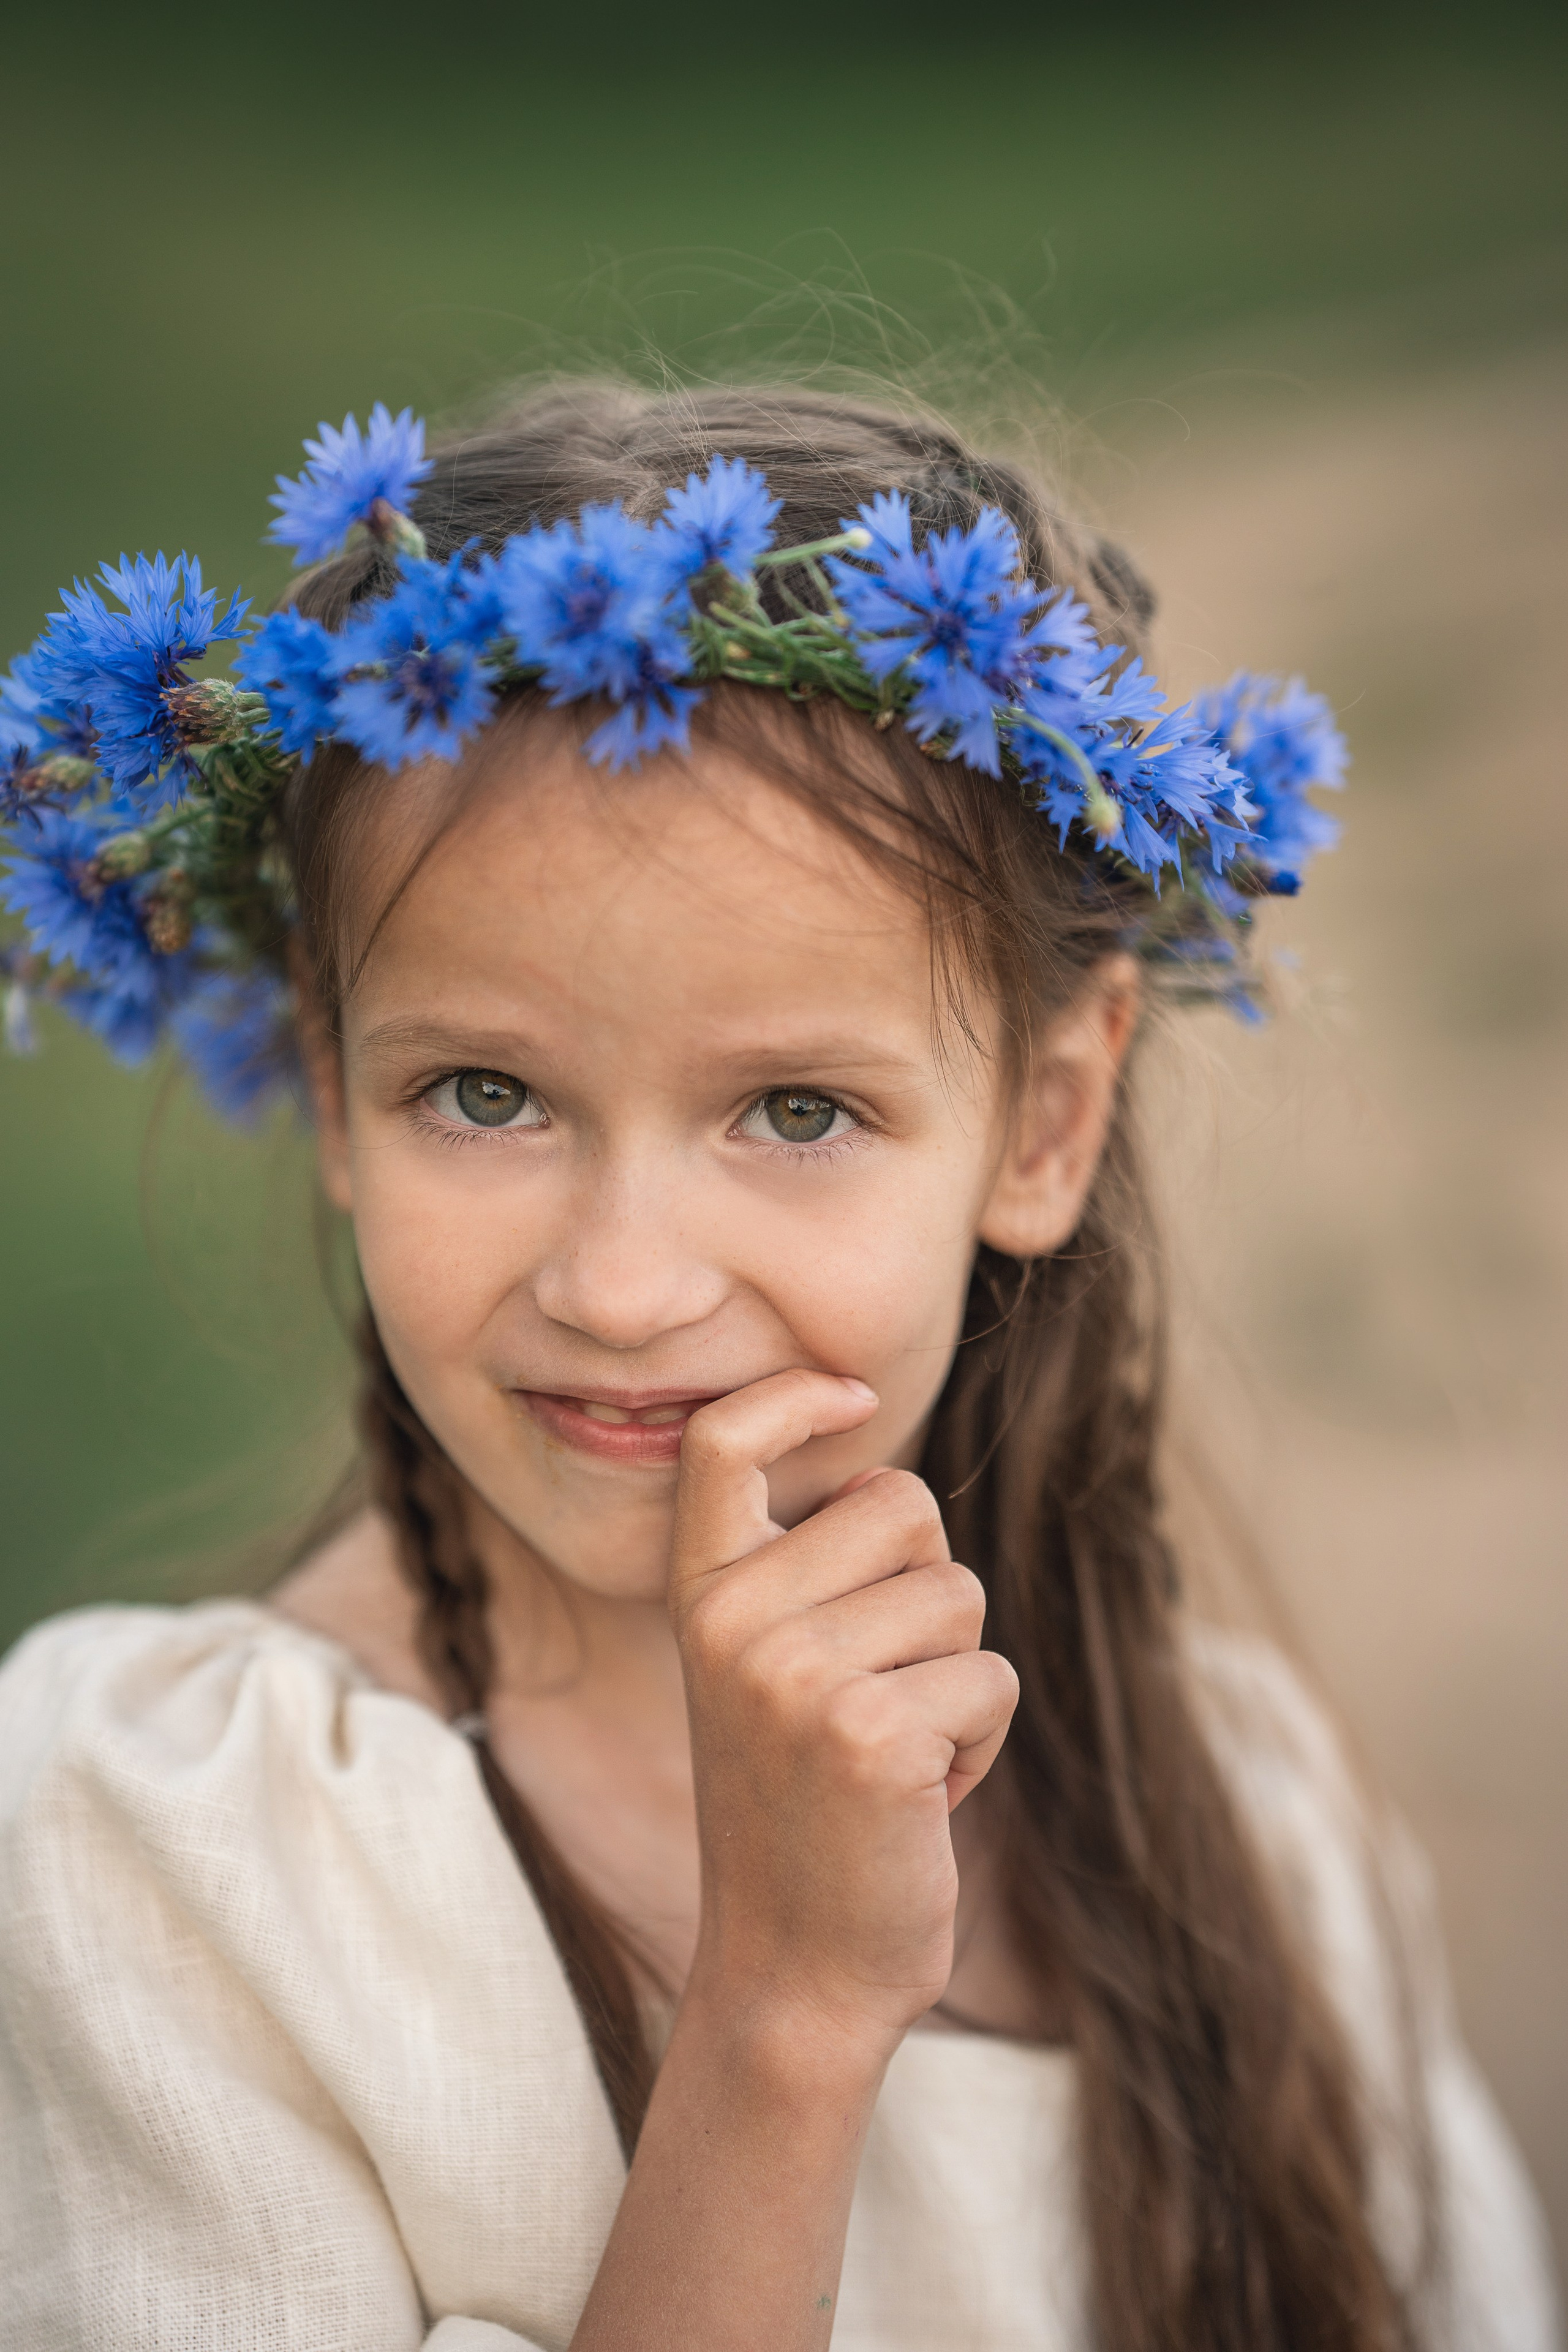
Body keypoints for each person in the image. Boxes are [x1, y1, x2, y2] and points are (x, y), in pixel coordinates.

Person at [0, 382, 1557, 2352]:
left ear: (1045, 1124)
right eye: (482, 1092)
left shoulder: (1253, 1829)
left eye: (798, 1110)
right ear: (328, 1079)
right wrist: (784, 2021)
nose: (627, 1286)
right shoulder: (173, 1851)